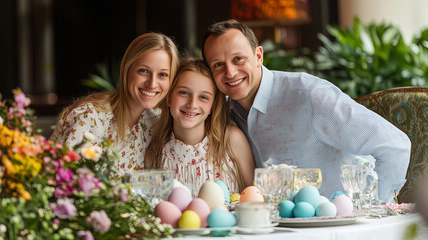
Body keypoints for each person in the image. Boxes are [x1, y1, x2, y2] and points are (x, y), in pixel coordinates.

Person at [202, 19, 411, 203]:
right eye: (218, 65)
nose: (230, 72)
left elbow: (394, 146)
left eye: (238, 59)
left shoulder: (309, 95)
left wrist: (376, 213)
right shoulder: (222, 113)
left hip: (346, 224)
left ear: (258, 56)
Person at [50, 32, 180, 177]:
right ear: (127, 69)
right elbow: (56, 180)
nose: (152, 83)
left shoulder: (158, 122)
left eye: (163, 75)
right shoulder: (89, 117)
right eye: (143, 71)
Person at [145, 58, 254, 195]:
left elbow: (254, 196)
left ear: (212, 107)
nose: (192, 104)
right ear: (168, 98)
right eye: (184, 93)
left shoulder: (231, 140)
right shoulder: (156, 152)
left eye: (203, 97)